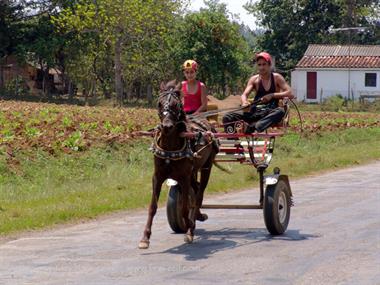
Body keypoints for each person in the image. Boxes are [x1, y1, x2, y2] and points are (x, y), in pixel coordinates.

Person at [223, 52, 294, 133]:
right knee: (227, 117)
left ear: (269, 65)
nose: (261, 67)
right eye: (259, 64)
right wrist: (244, 102)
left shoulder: (277, 78)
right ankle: (235, 143)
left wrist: (272, 95)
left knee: (280, 112)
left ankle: (251, 128)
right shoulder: (254, 79)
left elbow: (290, 93)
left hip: (268, 113)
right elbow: (244, 95)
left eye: (264, 64)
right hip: (254, 112)